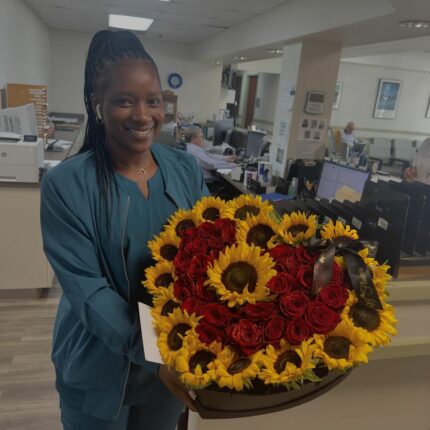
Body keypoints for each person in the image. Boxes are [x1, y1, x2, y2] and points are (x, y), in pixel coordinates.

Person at [40, 30, 208, 430]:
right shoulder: (67, 185)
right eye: (123, 101)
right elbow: (88, 290)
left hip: (171, 361)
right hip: (98, 363)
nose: (142, 115)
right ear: (98, 105)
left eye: (153, 101)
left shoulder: (184, 169)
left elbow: (210, 254)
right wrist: (156, 353)